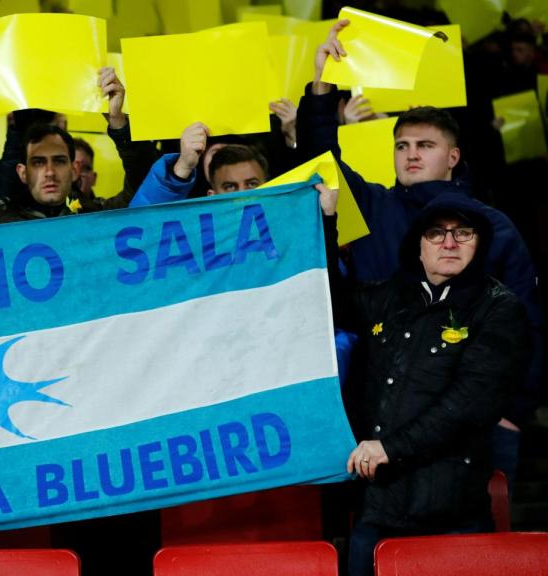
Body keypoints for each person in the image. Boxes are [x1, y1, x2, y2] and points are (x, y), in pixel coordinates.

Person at [299, 19, 543, 484]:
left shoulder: (492, 226)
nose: (411, 154)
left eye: (425, 145)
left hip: (476, 424)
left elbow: (528, 324)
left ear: (452, 157)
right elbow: (320, 158)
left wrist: (513, 412)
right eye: (402, 145)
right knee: (389, 549)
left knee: (473, 553)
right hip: (380, 419)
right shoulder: (370, 205)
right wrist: (321, 83)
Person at [322, 190, 532, 576]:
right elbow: (323, 298)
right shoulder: (389, 295)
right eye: (436, 233)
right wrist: (327, 221)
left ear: (479, 244)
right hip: (376, 511)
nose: (449, 242)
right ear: (418, 246)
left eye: (463, 233)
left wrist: (390, 447)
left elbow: (470, 404)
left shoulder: (500, 309)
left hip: (451, 514)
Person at [0, 58, 138, 226]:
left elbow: (144, 185)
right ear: (22, 172)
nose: (49, 172)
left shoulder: (102, 217)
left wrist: (118, 121)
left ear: (75, 169)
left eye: (58, 161)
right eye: (38, 162)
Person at [129, 122, 270, 206]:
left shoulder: (287, 230)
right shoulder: (194, 239)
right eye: (230, 187)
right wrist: (183, 166)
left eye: (252, 184)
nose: (243, 195)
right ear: (212, 195)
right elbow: (143, 228)